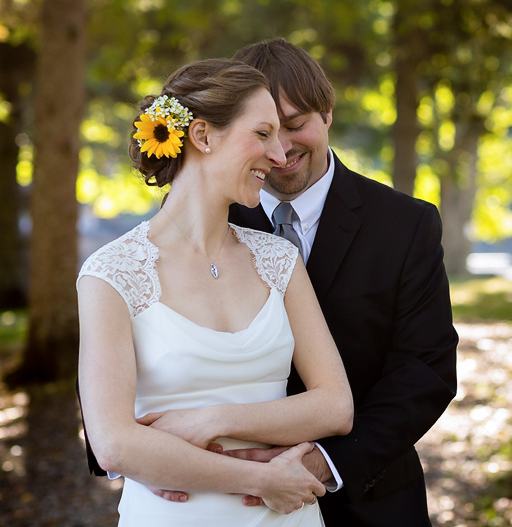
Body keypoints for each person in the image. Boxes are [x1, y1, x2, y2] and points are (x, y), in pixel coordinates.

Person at [142, 39, 459, 526]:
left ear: (328, 112)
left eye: (295, 126)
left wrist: (326, 463)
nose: (282, 150)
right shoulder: (200, 219)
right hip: (219, 497)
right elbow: (131, 343)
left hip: (369, 498)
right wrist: (139, 456)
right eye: (264, 131)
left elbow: (426, 369)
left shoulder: (405, 224)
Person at [76, 57, 353, 526]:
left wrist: (214, 420)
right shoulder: (110, 273)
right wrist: (259, 480)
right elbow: (113, 444)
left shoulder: (278, 259)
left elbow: (335, 405)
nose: (280, 155)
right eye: (262, 134)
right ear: (202, 136)